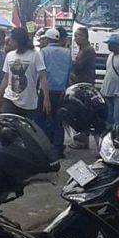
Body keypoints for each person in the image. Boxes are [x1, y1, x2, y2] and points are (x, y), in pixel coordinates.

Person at [0, 27, 51, 120]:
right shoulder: (9, 55)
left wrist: (46, 99)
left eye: (11, 40)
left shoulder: (35, 55)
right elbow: (6, 79)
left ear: (18, 41)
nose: (9, 42)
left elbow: (43, 78)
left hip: (28, 102)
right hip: (10, 98)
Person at [38, 28, 71, 158]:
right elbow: (68, 72)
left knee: (43, 118)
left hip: (46, 91)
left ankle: (46, 148)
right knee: (59, 120)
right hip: (61, 91)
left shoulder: (43, 52)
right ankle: (58, 148)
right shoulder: (67, 53)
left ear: (47, 39)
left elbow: (40, 74)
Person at [69, 27, 97, 149]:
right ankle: (81, 138)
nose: (75, 38)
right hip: (79, 84)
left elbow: (79, 66)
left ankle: (83, 139)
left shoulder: (88, 50)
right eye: (75, 36)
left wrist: (69, 62)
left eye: (78, 35)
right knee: (79, 112)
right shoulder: (82, 50)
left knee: (84, 112)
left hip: (85, 85)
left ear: (85, 37)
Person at [101, 34, 119, 126]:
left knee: (117, 118)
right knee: (109, 118)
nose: (109, 46)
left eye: (111, 44)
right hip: (107, 91)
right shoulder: (110, 56)